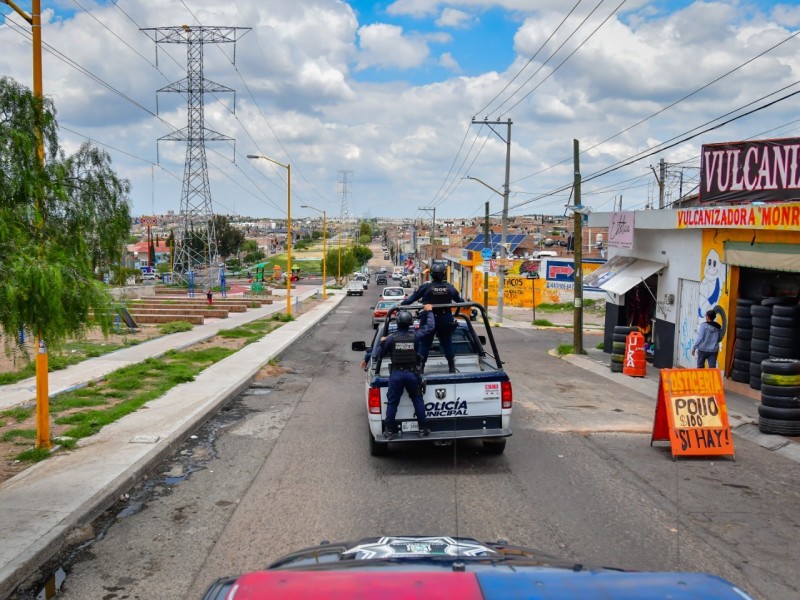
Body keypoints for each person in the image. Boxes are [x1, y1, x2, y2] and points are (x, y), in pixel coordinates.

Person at [371, 306, 435, 440]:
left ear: (397, 322)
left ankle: (389, 432)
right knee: (417, 399)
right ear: (410, 323)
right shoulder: (415, 336)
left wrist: (382, 343)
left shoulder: (391, 338)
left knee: (392, 403)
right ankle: (423, 429)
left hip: (396, 374)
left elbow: (378, 354)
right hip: (412, 374)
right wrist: (429, 312)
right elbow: (430, 327)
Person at [401, 263, 465, 373]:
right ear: (443, 274)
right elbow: (460, 301)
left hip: (429, 318)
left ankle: (421, 368)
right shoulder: (450, 288)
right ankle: (451, 367)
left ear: (431, 275)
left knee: (425, 344)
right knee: (447, 342)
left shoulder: (426, 287)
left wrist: (400, 305)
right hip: (446, 319)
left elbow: (410, 300)